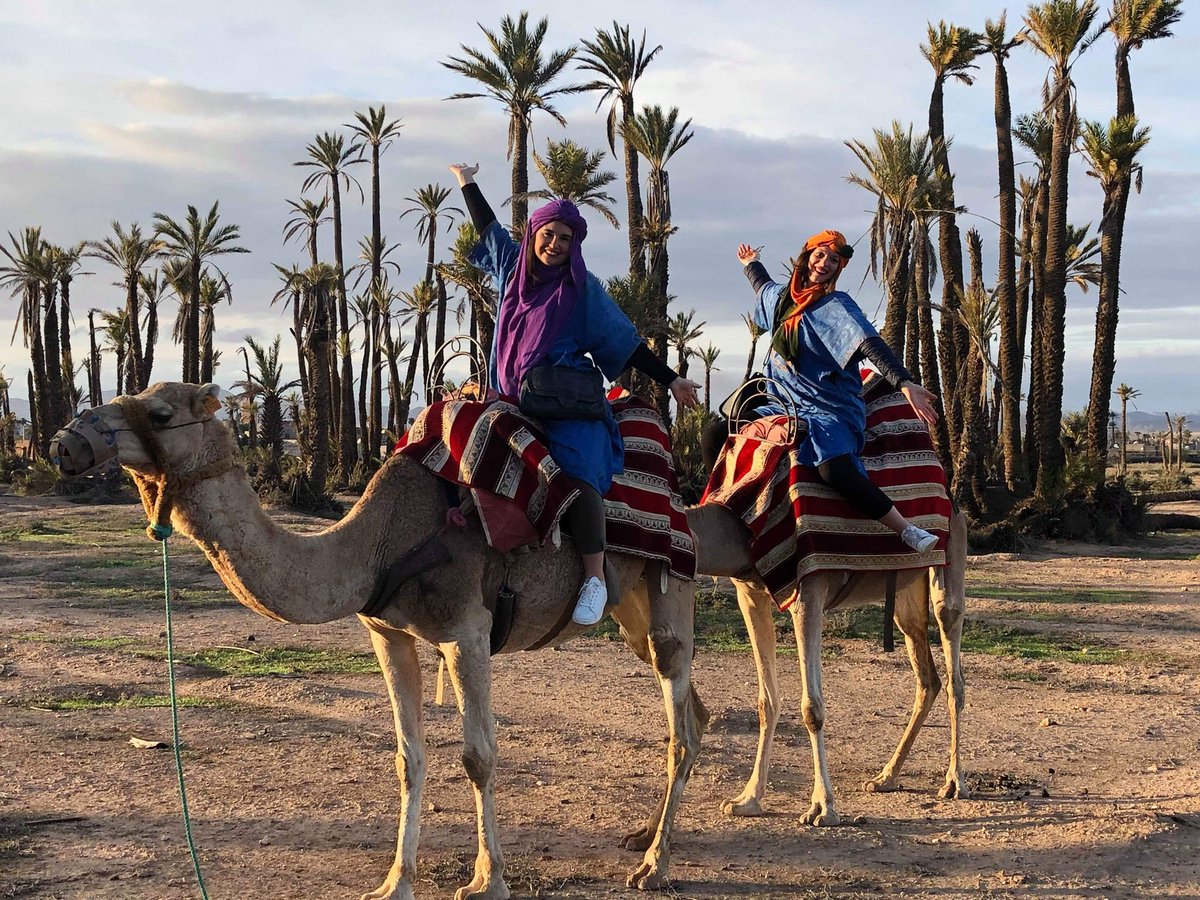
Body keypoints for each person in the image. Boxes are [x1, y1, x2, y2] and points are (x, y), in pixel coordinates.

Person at [449, 162, 701, 625]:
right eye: (549, 234)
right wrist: (468, 182)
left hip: (564, 403)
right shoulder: (511, 268)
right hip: (507, 398)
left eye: (565, 239)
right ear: (535, 233)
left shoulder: (581, 290)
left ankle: (593, 578)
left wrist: (671, 379)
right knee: (451, 438)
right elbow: (487, 227)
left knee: (577, 472)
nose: (555, 245)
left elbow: (623, 341)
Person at [703, 230, 941, 553]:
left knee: (833, 468)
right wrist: (751, 264)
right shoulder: (781, 299)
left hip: (829, 409)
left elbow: (868, 343)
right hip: (782, 402)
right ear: (806, 256)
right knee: (716, 435)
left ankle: (905, 529)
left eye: (833, 260)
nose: (824, 263)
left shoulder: (837, 307)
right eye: (819, 255)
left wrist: (904, 382)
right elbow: (762, 287)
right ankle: (721, 511)